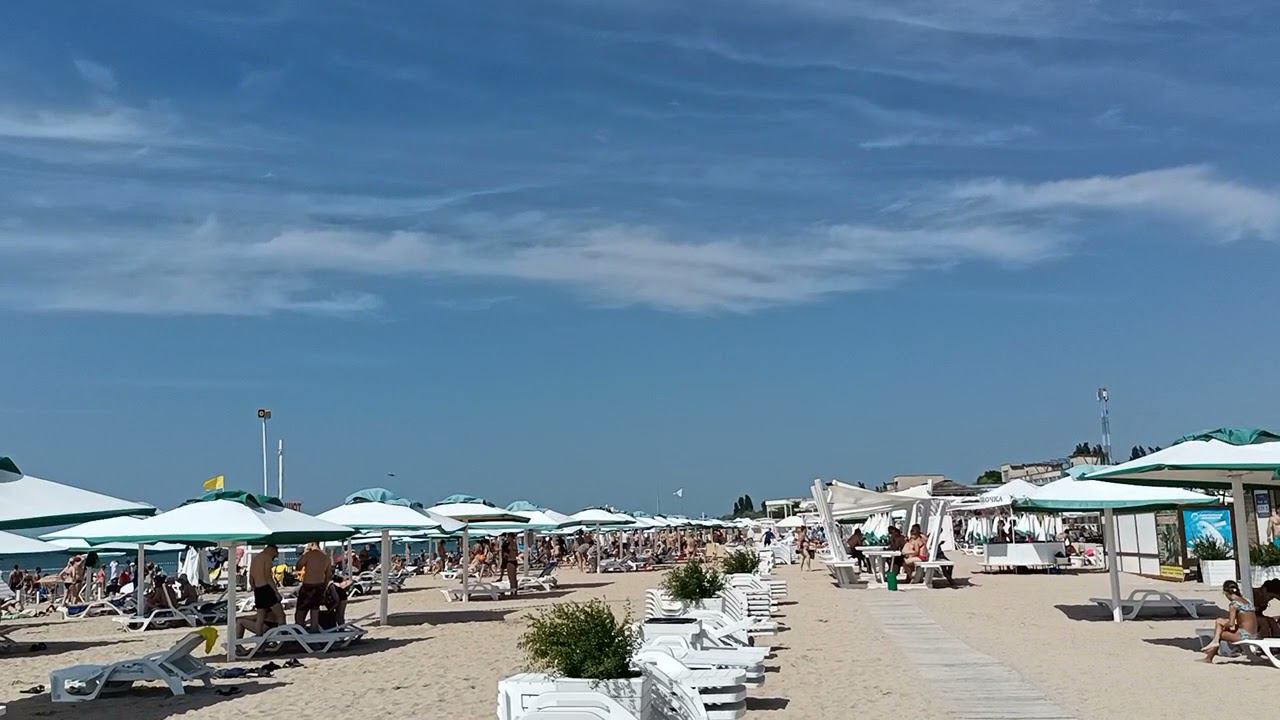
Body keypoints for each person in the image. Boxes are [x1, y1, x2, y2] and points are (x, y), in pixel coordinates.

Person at [1202, 580, 1259, 662]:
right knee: (1221, 625)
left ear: (1226, 592)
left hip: (1244, 635)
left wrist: (1221, 622)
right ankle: (1213, 645)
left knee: (1220, 632)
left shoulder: (1234, 605)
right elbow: (1242, 620)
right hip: (1254, 634)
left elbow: (1231, 623)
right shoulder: (1247, 601)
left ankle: (1209, 656)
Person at [247, 544, 285, 636]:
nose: (275, 557)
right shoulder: (267, 558)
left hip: (258, 589)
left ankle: (259, 638)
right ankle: (283, 637)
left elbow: (251, 578)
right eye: (275, 554)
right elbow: (268, 577)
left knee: (260, 618)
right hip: (266, 588)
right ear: (271, 550)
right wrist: (276, 592)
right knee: (281, 616)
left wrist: (255, 589)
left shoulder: (255, 559)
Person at [295, 542, 333, 632]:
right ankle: (314, 629)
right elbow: (328, 575)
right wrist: (324, 587)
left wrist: (304, 553)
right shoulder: (325, 557)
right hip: (319, 585)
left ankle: (299, 629)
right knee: (315, 610)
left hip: (308, 585)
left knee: (300, 611)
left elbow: (298, 567)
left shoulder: (308, 554)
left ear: (312, 544)